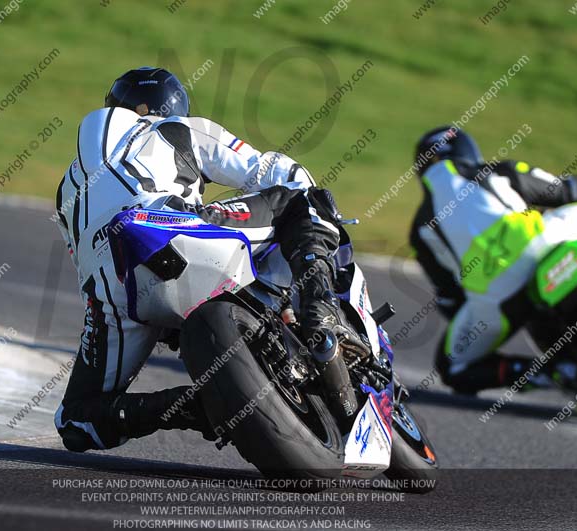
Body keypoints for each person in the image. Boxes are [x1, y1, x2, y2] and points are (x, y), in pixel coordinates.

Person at [53, 66, 356, 451]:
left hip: (111, 289)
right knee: (304, 199)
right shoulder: (176, 128)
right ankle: (319, 307)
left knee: (78, 420)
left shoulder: (66, 188)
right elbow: (269, 170)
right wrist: (317, 219)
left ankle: (200, 405)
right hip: (169, 223)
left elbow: (80, 258)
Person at [408, 125, 577, 394]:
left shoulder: (419, 230)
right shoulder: (498, 171)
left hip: (499, 296)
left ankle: (552, 372)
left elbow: (450, 298)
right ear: (467, 151)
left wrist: (483, 310)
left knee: (452, 366)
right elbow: (573, 190)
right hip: (546, 242)